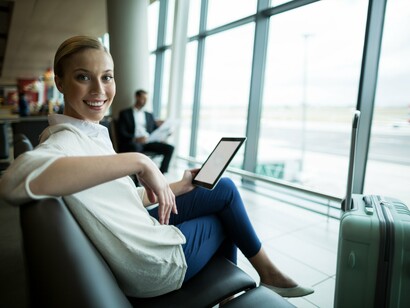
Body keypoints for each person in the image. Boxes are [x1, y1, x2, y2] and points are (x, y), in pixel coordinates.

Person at [0, 36, 314, 299]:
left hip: (143, 233)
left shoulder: (87, 134)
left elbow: (116, 199)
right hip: (152, 263)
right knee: (224, 218)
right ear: (60, 82)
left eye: (107, 76)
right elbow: (13, 180)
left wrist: (174, 186)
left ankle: (261, 277)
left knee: (222, 187)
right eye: (83, 77)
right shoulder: (62, 143)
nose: (99, 90)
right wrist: (139, 160)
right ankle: (258, 279)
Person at [117, 89, 174, 173]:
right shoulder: (125, 113)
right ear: (136, 97)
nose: (145, 101)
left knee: (169, 148)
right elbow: (121, 132)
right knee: (136, 148)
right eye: (143, 98)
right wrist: (135, 139)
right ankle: (137, 177)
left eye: (146, 99)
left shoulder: (149, 115)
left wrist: (166, 132)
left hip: (148, 142)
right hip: (134, 143)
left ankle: (161, 174)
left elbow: (155, 130)